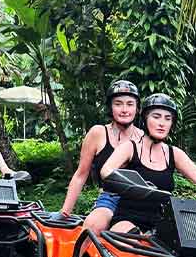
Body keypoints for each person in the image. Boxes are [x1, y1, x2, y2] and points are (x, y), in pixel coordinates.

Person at [100, 93, 196, 233]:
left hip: (161, 223)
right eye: (156, 117)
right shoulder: (130, 147)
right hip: (128, 219)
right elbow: (106, 170)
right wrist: (135, 184)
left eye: (167, 119)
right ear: (145, 119)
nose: (162, 123)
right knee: (128, 239)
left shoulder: (174, 153)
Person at [57, 80, 144, 233]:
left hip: (137, 202)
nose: (124, 110)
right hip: (109, 198)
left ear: (137, 108)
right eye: (118, 104)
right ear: (110, 107)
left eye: (130, 104)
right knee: (92, 227)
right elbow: (81, 174)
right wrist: (65, 212)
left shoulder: (144, 138)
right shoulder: (98, 133)